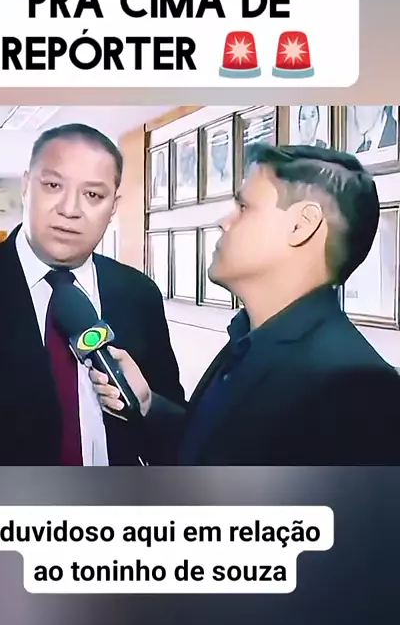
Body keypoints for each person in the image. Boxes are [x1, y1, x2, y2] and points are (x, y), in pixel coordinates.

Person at [91, 144, 400, 465]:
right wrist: (147, 404)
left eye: (243, 206)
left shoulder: (357, 388)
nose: (223, 221)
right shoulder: (247, 341)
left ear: (301, 225)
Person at [0, 123, 184, 465]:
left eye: (93, 195)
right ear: (26, 186)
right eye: (53, 185)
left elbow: (175, 428)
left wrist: (146, 406)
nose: (70, 209)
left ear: (113, 207)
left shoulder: (138, 294)